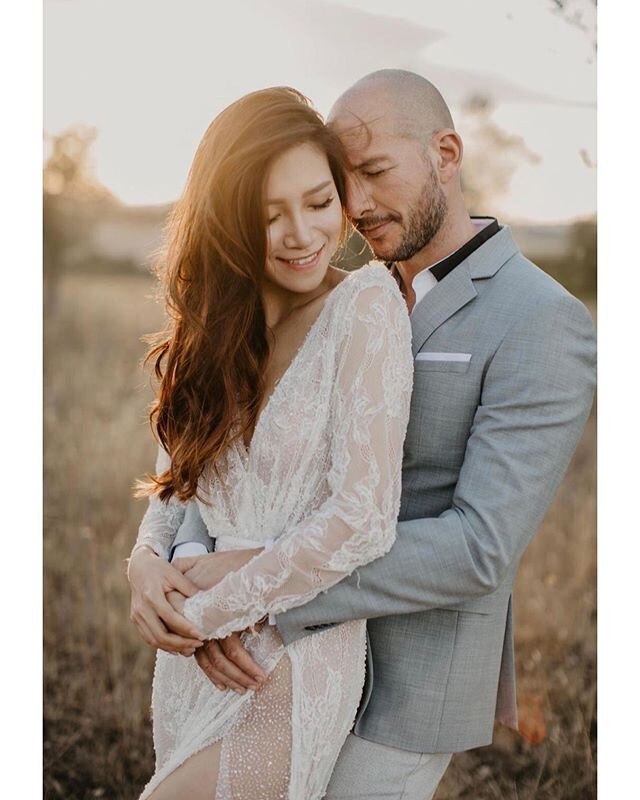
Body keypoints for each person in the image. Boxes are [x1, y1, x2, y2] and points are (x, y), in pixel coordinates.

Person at [165, 70, 597, 799]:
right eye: (344, 179)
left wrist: (256, 582)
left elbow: (478, 547)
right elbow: (241, 443)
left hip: (403, 687)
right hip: (263, 658)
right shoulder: (337, 292)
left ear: (446, 156)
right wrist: (167, 557)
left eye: (374, 172)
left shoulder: (542, 321)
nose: (356, 205)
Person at [127, 85, 414, 799]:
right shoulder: (213, 331)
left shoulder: (366, 309)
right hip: (193, 666)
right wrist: (140, 568)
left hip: (290, 657)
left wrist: (207, 612)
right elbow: (175, 490)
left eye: (319, 202)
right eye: (268, 215)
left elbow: (364, 517)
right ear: (228, 222)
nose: (302, 234)